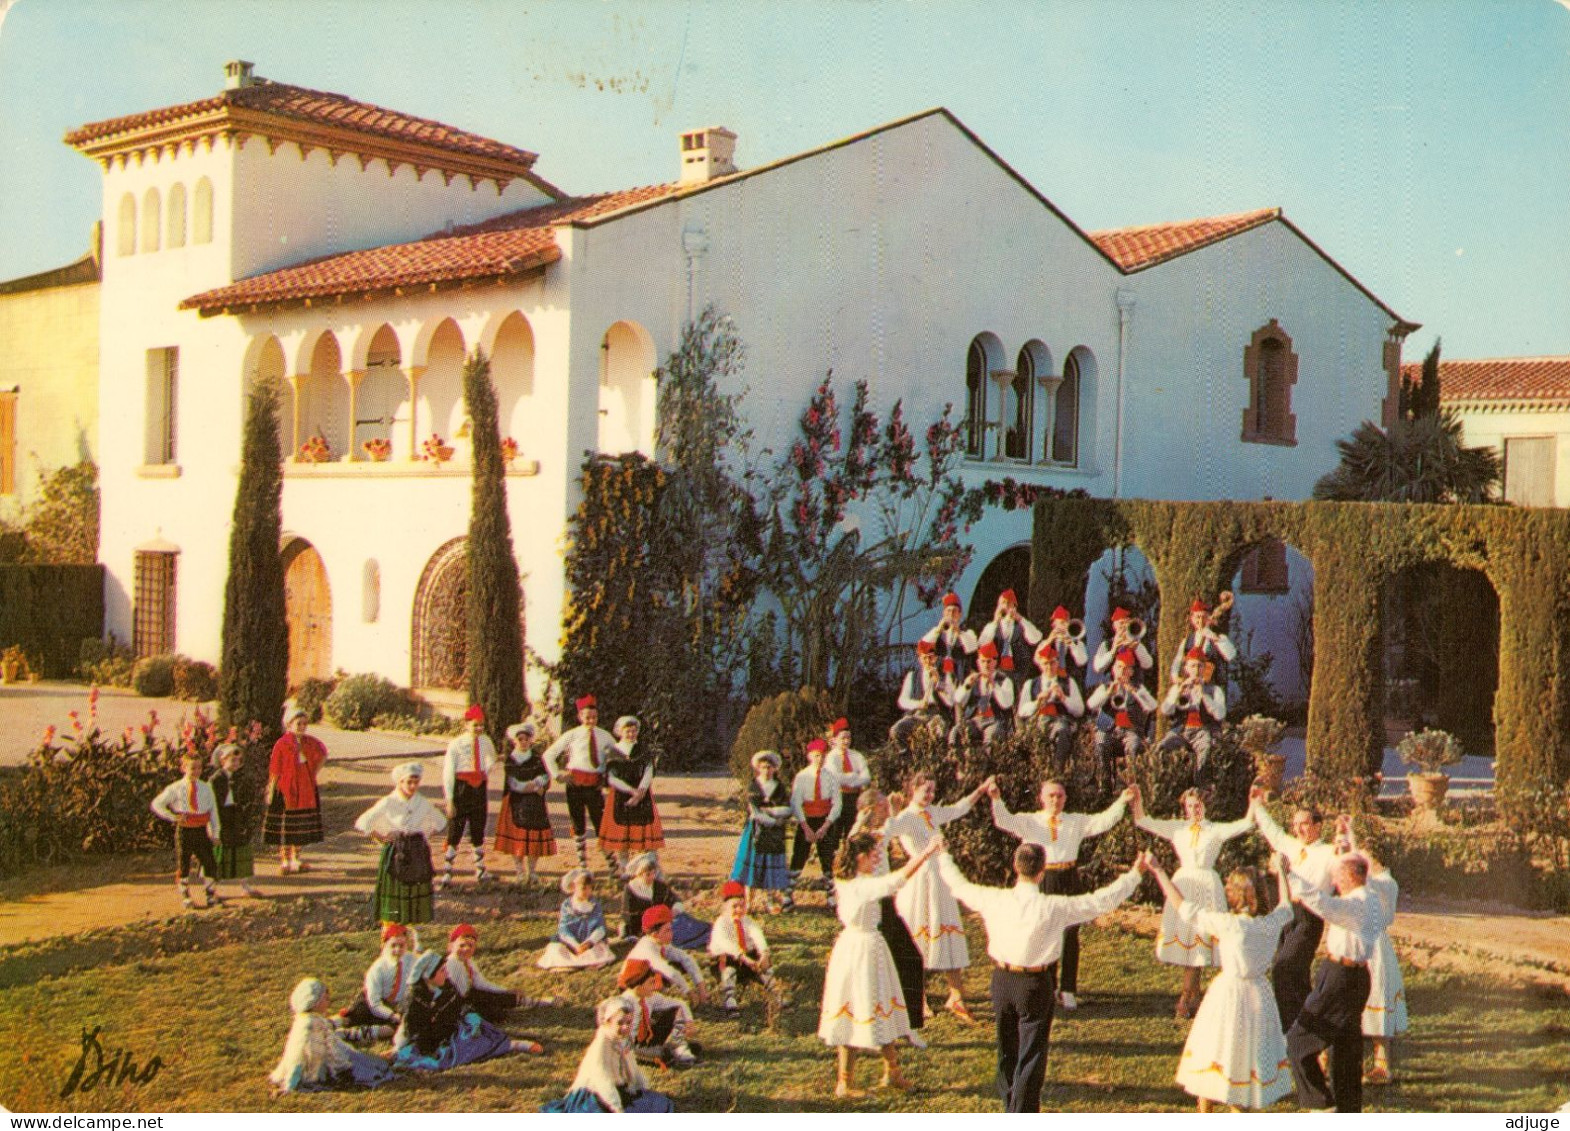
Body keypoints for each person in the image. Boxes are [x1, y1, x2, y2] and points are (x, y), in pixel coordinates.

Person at [937, 844, 1145, 1113]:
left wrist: (943, 855)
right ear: (1042, 871)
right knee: (1031, 1053)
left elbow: (959, 886)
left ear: (1015, 866)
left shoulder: (993, 899)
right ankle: (1020, 1112)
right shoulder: (1054, 906)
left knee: (1007, 1047)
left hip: (1002, 981)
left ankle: (1011, 1105)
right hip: (1034, 984)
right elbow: (1099, 901)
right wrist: (1135, 873)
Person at [1141, 854, 1295, 1112]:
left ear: (1237, 894)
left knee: (1215, 1047)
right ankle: (1237, 1105)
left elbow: (1183, 906)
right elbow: (1287, 906)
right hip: (1259, 995)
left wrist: (1159, 872)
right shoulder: (1270, 923)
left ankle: (1208, 1111)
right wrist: (1282, 873)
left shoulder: (1228, 924)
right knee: (1247, 1052)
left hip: (1229, 994)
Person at [819, 831, 945, 1098]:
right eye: (874, 855)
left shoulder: (850, 879)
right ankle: (845, 1082)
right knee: (857, 1007)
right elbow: (897, 881)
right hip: (860, 951)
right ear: (861, 857)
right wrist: (926, 852)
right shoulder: (859, 885)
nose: (878, 859)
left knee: (881, 1005)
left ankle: (893, 1072)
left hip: (866, 947)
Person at [987, 778, 1132, 1011]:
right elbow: (1004, 821)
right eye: (1051, 796)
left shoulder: (1074, 821)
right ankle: (1049, 986)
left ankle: (1068, 989)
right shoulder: (1029, 821)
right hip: (1042, 879)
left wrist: (1122, 801)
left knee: (1071, 934)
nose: (1055, 800)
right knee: (1044, 932)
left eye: (1060, 796)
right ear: (1041, 798)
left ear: (1065, 798)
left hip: (1068, 878)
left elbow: (1102, 821)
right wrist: (996, 799)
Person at [1283, 840, 1396, 1113]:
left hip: (1340, 978)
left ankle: (1321, 1105)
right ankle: (1348, 1111)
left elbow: (1322, 904)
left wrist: (1289, 873)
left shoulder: (1357, 904)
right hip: (1354, 978)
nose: (1333, 879)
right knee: (1346, 1049)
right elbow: (1381, 881)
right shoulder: (1373, 896)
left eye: (1337, 875)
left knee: (1299, 1041)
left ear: (1350, 877)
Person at [1132, 784, 1256, 1018]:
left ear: (1205, 805)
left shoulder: (1215, 830)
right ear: (1184, 808)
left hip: (1207, 885)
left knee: (1202, 936)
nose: (1194, 809)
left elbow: (1246, 823)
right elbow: (1142, 820)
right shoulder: (1177, 828)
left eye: (1198, 805)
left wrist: (1254, 801)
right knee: (1187, 935)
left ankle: (1188, 995)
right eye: (1189, 805)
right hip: (1184, 884)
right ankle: (1190, 994)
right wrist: (1137, 798)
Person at [886, 771, 995, 1023]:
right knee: (918, 939)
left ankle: (956, 996)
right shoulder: (906, 817)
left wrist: (981, 789)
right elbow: (889, 831)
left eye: (933, 791)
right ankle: (918, 998)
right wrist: (892, 810)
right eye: (926, 791)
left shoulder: (933, 812)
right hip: (918, 883)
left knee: (948, 934)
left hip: (940, 881)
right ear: (913, 789)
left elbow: (959, 808)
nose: (931, 795)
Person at [1249, 786, 1337, 1031]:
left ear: (1318, 826)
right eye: (1295, 824)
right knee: (1293, 975)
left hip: (1309, 918)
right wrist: (1257, 804)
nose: (1298, 828)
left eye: (1305, 824)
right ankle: (1300, 1026)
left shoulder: (1329, 853)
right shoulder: (1290, 845)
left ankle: (1293, 1027)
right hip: (1286, 914)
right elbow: (1272, 832)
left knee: (1284, 968)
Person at [848, 788, 927, 1041]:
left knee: (911, 959)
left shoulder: (882, 830)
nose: (885, 810)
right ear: (869, 810)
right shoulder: (859, 838)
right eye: (881, 806)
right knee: (877, 970)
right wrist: (862, 819)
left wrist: (891, 810)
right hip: (869, 909)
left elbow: (891, 826)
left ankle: (910, 1025)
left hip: (886, 904)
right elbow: (852, 845)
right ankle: (872, 1026)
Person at [394, 950, 541, 1069]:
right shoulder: (414, 998)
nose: (446, 973)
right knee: (417, 1051)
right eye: (441, 971)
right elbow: (412, 1029)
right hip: (425, 1040)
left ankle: (510, 1045)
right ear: (428, 976)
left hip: (450, 1030)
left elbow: (456, 1007)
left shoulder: (447, 986)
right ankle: (397, 1052)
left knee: (475, 1035)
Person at [539, 997, 676, 1112]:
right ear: (607, 1022)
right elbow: (601, 1079)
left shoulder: (623, 1041)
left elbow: (632, 1069)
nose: (625, 1027)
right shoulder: (602, 1043)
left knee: (660, 1103)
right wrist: (615, 1106)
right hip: (595, 1094)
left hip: (619, 1090)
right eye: (620, 1023)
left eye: (628, 1023)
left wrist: (640, 1087)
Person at [354, 762, 447, 926]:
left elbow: (440, 821)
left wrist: (423, 836)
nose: (412, 786)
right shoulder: (388, 801)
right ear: (400, 782)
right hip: (396, 852)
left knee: (415, 899)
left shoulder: (422, 802)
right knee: (394, 900)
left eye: (416, 782)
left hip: (416, 853)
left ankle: (414, 938)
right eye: (408, 782)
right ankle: (389, 935)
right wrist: (380, 838)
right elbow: (363, 822)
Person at [269, 978, 394, 1094]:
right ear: (315, 1002)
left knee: (360, 1056)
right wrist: (289, 1086)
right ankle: (385, 1056)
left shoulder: (312, 1019)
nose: (328, 1002)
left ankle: (381, 1050)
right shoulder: (309, 1025)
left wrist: (343, 1021)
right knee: (368, 1064)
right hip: (321, 1068)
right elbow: (298, 1058)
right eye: (325, 999)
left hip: (330, 1057)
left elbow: (333, 1029)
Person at [543, 694, 618, 870]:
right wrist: (557, 775)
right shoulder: (572, 735)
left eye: (594, 717)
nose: (591, 721)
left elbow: (617, 758)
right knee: (578, 824)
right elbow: (549, 755)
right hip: (575, 784)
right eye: (587, 717)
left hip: (595, 785)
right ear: (580, 717)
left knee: (601, 824)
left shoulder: (605, 736)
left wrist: (609, 779)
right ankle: (582, 864)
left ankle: (612, 864)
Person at [150, 752, 224, 910]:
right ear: (183, 768)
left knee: (210, 863)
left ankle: (210, 895)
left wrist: (215, 833)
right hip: (185, 831)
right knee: (184, 865)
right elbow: (157, 804)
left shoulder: (206, 788)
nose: (196, 771)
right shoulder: (176, 788)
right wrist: (172, 816)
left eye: (199, 767)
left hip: (201, 831)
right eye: (192, 768)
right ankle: (185, 896)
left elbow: (213, 812)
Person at [444, 922, 560, 1022]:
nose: (466, 949)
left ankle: (538, 1002)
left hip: (471, 996)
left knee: (503, 999)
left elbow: (481, 983)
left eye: (470, 945)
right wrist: (493, 996)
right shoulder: (453, 963)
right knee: (497, 1012)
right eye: (462, 945)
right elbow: (463, 992)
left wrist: (505, 991)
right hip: (459, 1003)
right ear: (451, 946)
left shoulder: (468, 962)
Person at [264, 706, 327, 875]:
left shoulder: (309, 742)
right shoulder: (282, 744)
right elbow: (275, 769)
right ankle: (284, 859)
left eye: (305, 723)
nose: (302, 727)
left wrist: (313, 773)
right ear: (289, 724)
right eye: (298, 723)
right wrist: (271, 790)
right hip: (286, 789)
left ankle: (295, 858)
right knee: (287, 826)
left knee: (299, 825)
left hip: (305, 788)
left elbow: (323, 754)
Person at [493, 721, 556, 886]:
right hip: (517, 803)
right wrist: (530, 787)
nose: (523, 742)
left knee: (534, 837)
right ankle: (520, 871)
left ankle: (532, 871)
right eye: (520, 739)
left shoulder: (536, 758)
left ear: (530, 740)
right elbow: (513, 783)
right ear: (515, 740)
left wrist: (537, 783)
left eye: (526, 739)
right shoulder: (511, 760)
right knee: (519, 839)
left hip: (535, 804)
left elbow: (545, 776)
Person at [599, 716, 664, 875]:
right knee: (623, 835)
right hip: (621, 796)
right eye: (627, 731)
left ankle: (650, 868)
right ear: (619, 732)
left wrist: (640, 790)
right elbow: (611, 777)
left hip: (642, 796)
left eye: (634, 731)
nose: (631, 734)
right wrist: (630, 791)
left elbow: (649, 771)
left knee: (643, 833)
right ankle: (624, 868)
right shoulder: (613, 751)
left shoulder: (643, 750)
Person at [708, 880, 784, 1017]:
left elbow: (758, 936)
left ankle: (777, 993)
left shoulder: (748, 921)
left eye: (742, 906)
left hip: (747, 959)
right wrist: (744, 958)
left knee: (765, 968)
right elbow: (726, 945)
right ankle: (730, 1000)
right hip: (728, 958)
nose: (738, 910)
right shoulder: (721, 924)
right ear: (725, 907)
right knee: (728, 969)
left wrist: (764, 954)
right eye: (734, 906)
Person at [440, 704, 495, 889]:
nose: (479, 729)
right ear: (466, 725)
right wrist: (449, 798)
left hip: (478, 788)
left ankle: (480, 869)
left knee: (478, 826)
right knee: (456, 828)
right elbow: (448, 771)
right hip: (461, 789)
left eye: (481, 725)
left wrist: (484, 771)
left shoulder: (486, 741)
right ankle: (447, 871)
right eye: (475, 725)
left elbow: (491, 758)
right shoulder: (456, 744)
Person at [731, 750, 794, 912]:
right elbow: (754, 811)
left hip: (774, 834)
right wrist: (771, 818)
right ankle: (749, 903)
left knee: (771, 866)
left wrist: (773, 813)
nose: (767, 770)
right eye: (763, 767)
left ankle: (771, 901)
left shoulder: (779, 787)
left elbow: (787, 809)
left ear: (775, 769)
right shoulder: (753, 786)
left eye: (770, 767)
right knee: (752, 866)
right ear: (758, 768)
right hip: (756, 831)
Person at [1086, 649, 1157, 789]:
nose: (1122, 671)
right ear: (1113, 669)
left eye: (1126, 668)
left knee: (1134, 744)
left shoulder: (1138, 688)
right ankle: (1105, 786)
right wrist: (1107, 693)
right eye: (1119, 667)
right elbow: (1091, 705)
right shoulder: (1105, 687)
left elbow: (1153, 706)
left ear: (1131, 672)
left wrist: (1134, 692)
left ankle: (1132, 786)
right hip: (1111, 731)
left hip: (1132, 732)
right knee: (1100, 739)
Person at [1158, 649, 1227, 788]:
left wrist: (1204, 695)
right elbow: (1165, 710)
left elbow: (1220, 715)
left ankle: (1200, 787)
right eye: (1192, 666)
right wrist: (1178, 692)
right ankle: (1167, 786)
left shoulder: (1214, 690)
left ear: (1204, 668)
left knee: (1205, 748)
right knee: (1163, 746)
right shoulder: (1178, 687)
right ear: (1186, 668)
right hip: (1181, 730)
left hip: (1203, 730)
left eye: (1200, 666)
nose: (1196, 669)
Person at [336, 922, 417, 1039]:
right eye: (393, 946)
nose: (398, 950)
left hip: (398, 1006)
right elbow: (374, 1003)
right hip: (373, 1004)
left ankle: (352, 1034)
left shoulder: (412, 960)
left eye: (401, 945)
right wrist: (391, 1015)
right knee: (353, 1016)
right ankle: (329, 1024)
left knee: (399, 1028)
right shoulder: (377, 968)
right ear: (384, 946)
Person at [788, 738, 843, 900]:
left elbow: (837, 803)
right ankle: (788, 894)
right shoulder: (802, 776)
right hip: (807, 821)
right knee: (799, 856)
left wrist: (826, 826)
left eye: (823, 756)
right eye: (817, 756)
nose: (820, 759)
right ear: (810, 756)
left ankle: (831, 896)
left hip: (825, 821)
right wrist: (805, 828)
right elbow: (795, 803)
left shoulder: (831, 776)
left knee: (827, 857)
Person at [616, 959, 698, 1068]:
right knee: (664, 1055)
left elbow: (680, 1004)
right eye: (651, 983)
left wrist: (689, 1022)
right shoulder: (625, 1003)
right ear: (639, 987)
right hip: (629, 1044)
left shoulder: (650, 997)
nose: (655, 987)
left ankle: (677, 1046)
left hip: (647, 1038)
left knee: (676, 1009)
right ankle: (665, 1052)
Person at [1018, 645, 1085, 773]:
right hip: (1037, 720)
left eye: (1052, 663)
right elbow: (1021, 711)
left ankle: (1057, 770)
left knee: (1062, 730)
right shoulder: (1031, 684)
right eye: (1045, 664)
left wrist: (1064, 698)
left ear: (1057, 662)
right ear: (1039, 665)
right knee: (1032, 736)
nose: (1049, 667)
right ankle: (1035, 771)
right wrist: (1037, 701)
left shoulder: (1068, 682)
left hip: (1060, 719)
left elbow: (1080, 710)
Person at [622, 852, 710, 950]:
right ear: (639, 874)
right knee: (669, 931)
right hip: (645, 927)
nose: (652, 877)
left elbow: (673, 900)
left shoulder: (658, 885)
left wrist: (675, 909)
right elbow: (629, 917)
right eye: (648, 875)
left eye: (653, 873)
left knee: (685, 920)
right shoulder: (630, 889)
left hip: (665, 920)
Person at [624, 905, 709, 1004]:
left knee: (680, 962)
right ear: (655, 934)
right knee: (670, 973)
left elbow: (686, 958)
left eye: (671, 929)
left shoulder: (660, 943)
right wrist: (689, 992)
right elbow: (670, 972)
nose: (671, 934)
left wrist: (701, 989)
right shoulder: (647, 948)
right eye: (667, 931)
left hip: (647, 983)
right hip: (632, 990)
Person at [208, 743, 260, 897]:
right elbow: (211, 803)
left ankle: (245, 885)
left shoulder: (241, 778)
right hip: (222, 818)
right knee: (220, 852)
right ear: (222, 760)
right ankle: (211, 887)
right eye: (232, 760)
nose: (236, 764)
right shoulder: (216, 779)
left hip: (237, 818)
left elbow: (246, 797)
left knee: (241, 851)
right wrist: (212, 825)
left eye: (238, 761)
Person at [539, 868, 615, 970]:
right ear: (574, 887)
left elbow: (600, 927)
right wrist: (575, 945)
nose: (586, 891)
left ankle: (589, 962)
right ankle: (567, 963)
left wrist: (589, 942)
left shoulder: (595, 904)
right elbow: (564, 928)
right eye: (582, 888)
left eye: (589, 888)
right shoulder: (567, 905)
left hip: (588, 941)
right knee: (556, 949)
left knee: (599, 949)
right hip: (571, 942)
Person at [890, 639, 955, 747]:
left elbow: (951, 702)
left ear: (936, 658)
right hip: (917, 714)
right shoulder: (912, 676)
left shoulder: (945, 675)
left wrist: (938, 684)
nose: (928, 661)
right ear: (920, 659)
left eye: (931, 657)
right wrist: (918, 704)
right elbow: (902, 701)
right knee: (896, 730)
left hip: (937, 714)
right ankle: (907, 759)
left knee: (937, 732)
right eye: (924, 657)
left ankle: (935, 760)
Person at [951, 643, 1015, 748]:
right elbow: (958, 700)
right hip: (975, 720)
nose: (986, 665)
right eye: (983, 661)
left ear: (995, 662)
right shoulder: (973, 679)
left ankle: (987, 763)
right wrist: (967, 686)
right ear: (978, 663)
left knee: (991, 737)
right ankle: (956, 761)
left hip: (995, 720)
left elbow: (1007, 704)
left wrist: (994, 685)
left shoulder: (1004, 680)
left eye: (989, 661)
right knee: (955, 732)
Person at [976, 588, 1041, 691]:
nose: (1004, 606)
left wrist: (1020, 619)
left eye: (1008, 603)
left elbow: (1036, 639)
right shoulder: (992, 626)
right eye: (1002, 603)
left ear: (1014, 606)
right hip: (996, 671)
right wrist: (995, 621)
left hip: (1018, 672)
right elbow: (982, 644)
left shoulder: (1021, 625)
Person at [1169, 597, 1237, 684]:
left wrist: (1214, 638)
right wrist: (1175, 677)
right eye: (1197, 617)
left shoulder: (1219, 637)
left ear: (1209, 618)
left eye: (1204, 617)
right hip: (1191, 686)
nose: (1200, 621)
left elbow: (1231, 656)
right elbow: (1177, 661)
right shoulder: (1187, 640)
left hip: (1212, 687)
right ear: (1192, 619)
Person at [827, 718, 872, 845]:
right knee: (834, 832)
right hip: (837, 798)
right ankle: (832, 861)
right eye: (843, 738)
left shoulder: (857, 756)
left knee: (852, 832)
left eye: (849, 738)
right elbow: (836, 777)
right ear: (835, 739)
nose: (846, 741)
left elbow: (866, 777)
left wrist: (849, 780)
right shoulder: (832, 757)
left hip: (854, 798)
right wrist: (854, 776)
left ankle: (849, 860)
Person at [921, 591, 977, 681]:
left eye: (954, 611)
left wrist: (958, 631)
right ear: (944, 613)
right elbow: (923, 646)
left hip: (959, 676)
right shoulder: (937, 632)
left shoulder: (967, 632)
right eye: (948, 611)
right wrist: (938, 629)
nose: (951, 614)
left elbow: (972, 647)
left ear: (960, 614)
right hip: (939, 676)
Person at [1091, 606, 1152, 676]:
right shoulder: (1106, 644)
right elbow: (1097, 668)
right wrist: (1113, 651)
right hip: (1112, 684)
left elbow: (1148, 665)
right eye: (1121, 623)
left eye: (1127, 623)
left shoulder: (1136, 643)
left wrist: (1137, 648)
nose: (1124, 627)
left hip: (1132, 684)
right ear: (1114, 626)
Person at [1039, 605, 1089, 676]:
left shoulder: (1077, 643)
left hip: (1071, 681)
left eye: (1067, 622)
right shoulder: (1046, 642)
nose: (1066, 625)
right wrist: (1049, 641)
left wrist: (1072, 644)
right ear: (1054, 625)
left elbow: (1082, 661)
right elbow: (1036, 660)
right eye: (1062, 622)